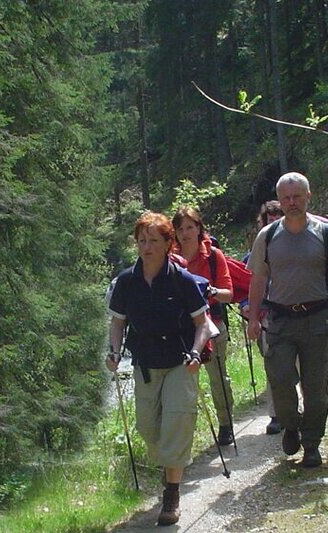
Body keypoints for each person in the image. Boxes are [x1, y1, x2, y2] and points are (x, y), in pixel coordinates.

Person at [106, 211, 213, 526]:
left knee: (177, 424)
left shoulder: (181, 280)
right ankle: (169, 469)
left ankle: (172, 494)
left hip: (181, 361)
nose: (146, 247)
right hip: (146, 364)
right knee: (148, 428)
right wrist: (114, 351)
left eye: (154, 240)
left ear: (169, 243)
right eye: (142, 241)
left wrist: (195, 352)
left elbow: (202, 324)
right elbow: (117, 322)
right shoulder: (126, 282)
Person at [246, 172, 328, 468]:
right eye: (286, 198)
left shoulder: (326, 234)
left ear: (308, 196)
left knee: (315, 387)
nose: (292, 202)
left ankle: (312, 442)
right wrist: (254, 318)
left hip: (316, 318)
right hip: (280, 319)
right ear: (279, 200)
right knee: (279, 379)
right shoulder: (268, 237)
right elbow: (258, 279)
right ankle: (291, 425)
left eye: (297, 196)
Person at [172, 207, 237, 446]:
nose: (186, 233)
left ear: (199, 228)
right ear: (175, 233)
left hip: (214, 325)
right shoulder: (170, 259)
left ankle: (226, 424)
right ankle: (186, 435)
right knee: (186, 384)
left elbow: (229, 293)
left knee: (218, 378)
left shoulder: (213, 256)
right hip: (183, 330)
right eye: (180, 229)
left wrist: (211, 291)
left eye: (190, 227)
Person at [240, 200, 286, 435]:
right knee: (273, 364)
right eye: (271, 218)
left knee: (299, 364)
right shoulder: (256, 252)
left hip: (297, 313)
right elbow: (245, 284)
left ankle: (300, 409)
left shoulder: (298, 245)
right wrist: (249, 308)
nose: (275, 222)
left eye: (279, 216)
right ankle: (276, 414)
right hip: (269, 316)